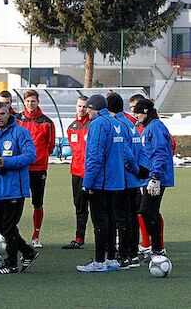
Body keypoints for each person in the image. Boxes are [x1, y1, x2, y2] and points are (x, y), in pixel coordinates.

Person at [0, 102, 39, 274]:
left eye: (2, 114)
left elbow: (31, 156)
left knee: (8, 227)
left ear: (8, 113)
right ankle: (28, 252)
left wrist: (6, 161)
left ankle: (11, 263)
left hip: (14, 189)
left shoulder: (20, 132)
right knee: (3, 228)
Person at [76, 95, 136, 273]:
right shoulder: (115, 122)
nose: (86, 110)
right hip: (116, 182)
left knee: (100, 221)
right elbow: (126, 151)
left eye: (87, 107)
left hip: (101, 182)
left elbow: (95, 155)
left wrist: (87, 183)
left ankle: (100, 260)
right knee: (111, 220)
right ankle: (111, 258)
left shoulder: (98, 123)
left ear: (92, 107)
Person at [107, 93, 150, 269]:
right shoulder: (131, 124)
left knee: (122, 218)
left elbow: (126, 154)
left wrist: (134, 169)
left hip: (124, 178)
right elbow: (140, 150)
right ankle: (132, 254)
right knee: (131, 217)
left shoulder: (118, 125)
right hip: (134, 179)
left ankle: (124, 255)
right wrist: (141, 171)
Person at [133, 99, 174, 261]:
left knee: (147, 211)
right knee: (150, 212)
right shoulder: (150, 126)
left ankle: (157, 249)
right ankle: (157, 249)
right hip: (151, 177)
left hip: (156, 178)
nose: (136, 115)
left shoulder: (155, 127)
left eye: (138, 112)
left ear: (145, 112)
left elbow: (160, 152)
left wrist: (155, 176)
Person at [16, 90, 55, 248]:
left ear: (38, 102)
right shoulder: (17, 120)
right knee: (16, 201)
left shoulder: (47, 122)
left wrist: (39, 158)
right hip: (19, 167)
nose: (30, 104)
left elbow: (50, 146)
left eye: (33, 101)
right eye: (28, 101)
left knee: (37, 203)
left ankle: (36, 236)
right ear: (24, 102)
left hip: (38, 168)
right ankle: (12, 234)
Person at [62, 96, 91, 249]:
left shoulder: (93, 125)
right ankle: (79, 238)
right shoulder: (71, 127)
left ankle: (106, 240)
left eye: (85, 106)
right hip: (77, 173)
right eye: (79, 106)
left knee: (98, 208)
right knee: (79, 207)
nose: (82, 109)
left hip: (92, 174)